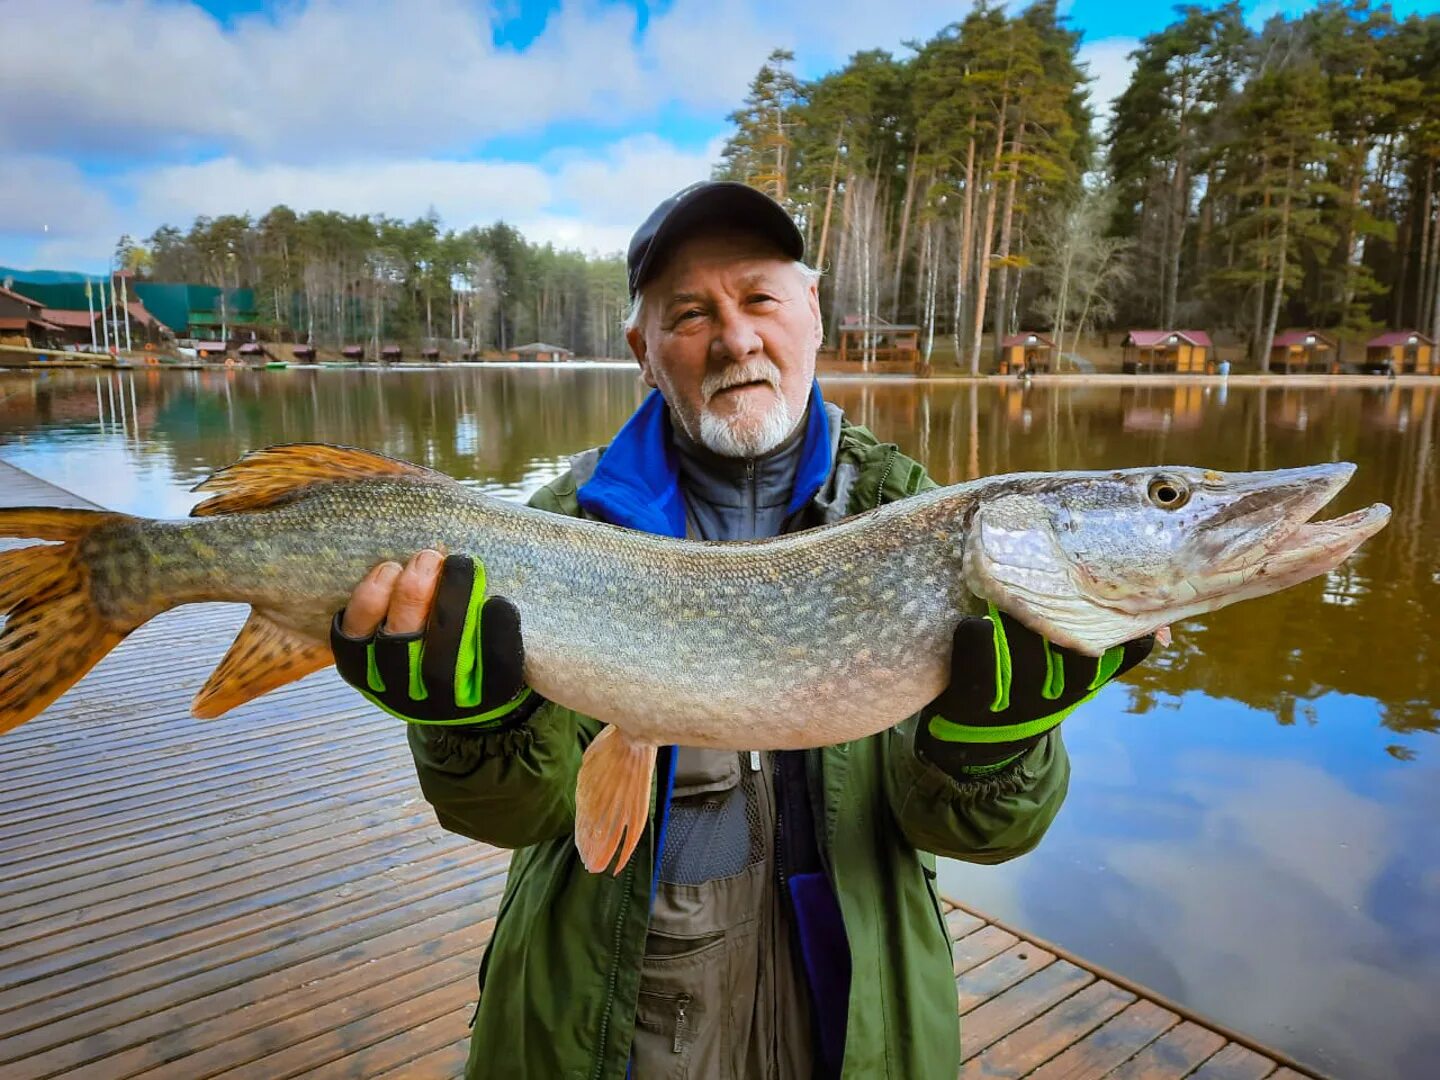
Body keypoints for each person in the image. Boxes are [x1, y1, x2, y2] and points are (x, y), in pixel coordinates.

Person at [330, 182, 1153, 1079]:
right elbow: (515, 814)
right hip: (610, 1022)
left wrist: (994, 753)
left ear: (812, 315)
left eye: (760, 298)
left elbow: (979, 839)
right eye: (690, 313)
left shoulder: (924, 523)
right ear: (644, 352)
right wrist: (471, 732)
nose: (735, 337)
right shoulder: (564, 526)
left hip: (853, 1017)